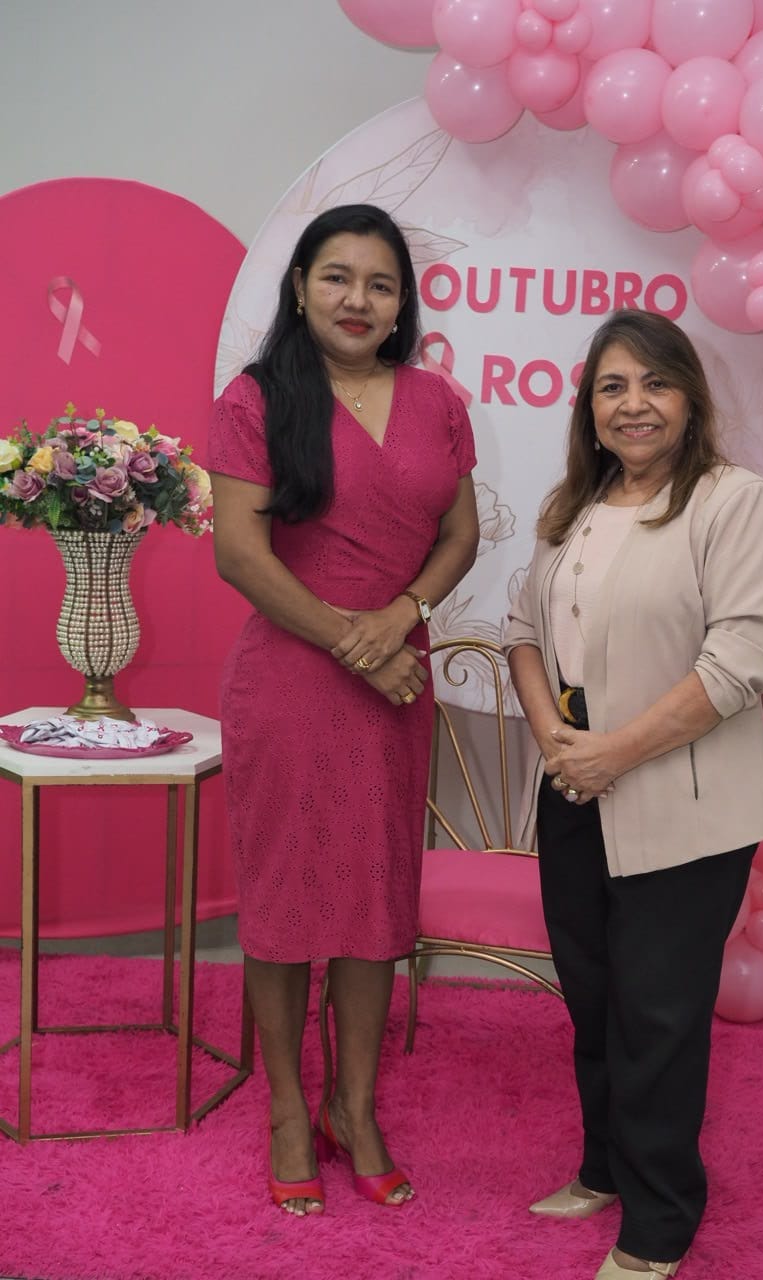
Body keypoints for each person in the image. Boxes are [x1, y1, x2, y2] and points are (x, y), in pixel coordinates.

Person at [504, 310, 763, 1278]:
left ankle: (660, 1220)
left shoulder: (732, 499)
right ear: (588, 409)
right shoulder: (572, 508)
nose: (634, 404)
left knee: (658, 1017)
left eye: (654, 383)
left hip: (685, 802)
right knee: (595, 1001)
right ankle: (605, 1166)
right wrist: (555, 737)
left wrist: (612, 754)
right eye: (612, 387)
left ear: (690, 398)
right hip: (574, 783)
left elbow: (744, 656)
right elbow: (521, 631)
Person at [208, 203, 479, 1216]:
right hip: (290, 683)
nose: (357, 299)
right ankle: (289, 1109)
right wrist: (354, 644)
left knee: (374, 906)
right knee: (284, 907)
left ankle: (353, 1109)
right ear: (300, 286)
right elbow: (241, 555)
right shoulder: (254, 400)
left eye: (379, 283)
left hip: (394, 681)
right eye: (337, 276)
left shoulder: (436, 399)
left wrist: (401, 618)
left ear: (402, 302)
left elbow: (459, 533)